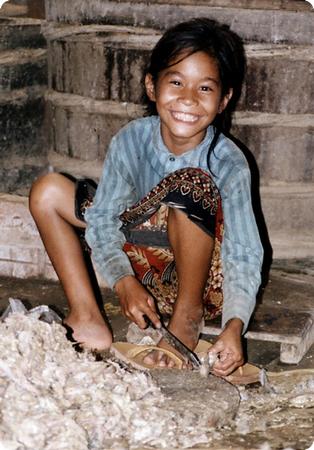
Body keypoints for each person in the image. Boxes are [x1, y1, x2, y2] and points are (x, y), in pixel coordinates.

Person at [29, 18, 263, 377]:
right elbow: (106, 217)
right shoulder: (131, 140)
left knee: (189, 185)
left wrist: (234, 326)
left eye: (204, 89)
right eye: (176, 82)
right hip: (142, 274)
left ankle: (185, 322)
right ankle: (88, 317)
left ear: (224, 99)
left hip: (204, 286)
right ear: (152, 86)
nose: (187, 99)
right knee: (49, 192)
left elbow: (245, 253)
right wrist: (123, 281)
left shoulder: (229, 162)